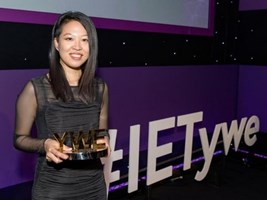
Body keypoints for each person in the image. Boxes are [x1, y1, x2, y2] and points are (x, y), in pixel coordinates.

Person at [13, 11, 110, 200]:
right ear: (57, 43)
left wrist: (104, 140)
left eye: (85, 40)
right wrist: (45, 144)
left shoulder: (100, 88)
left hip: (94, 188)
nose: (77, 47)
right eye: (69, 38)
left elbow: (101, 132)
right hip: (52, 190)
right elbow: (19, 139)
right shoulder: (35, 89)